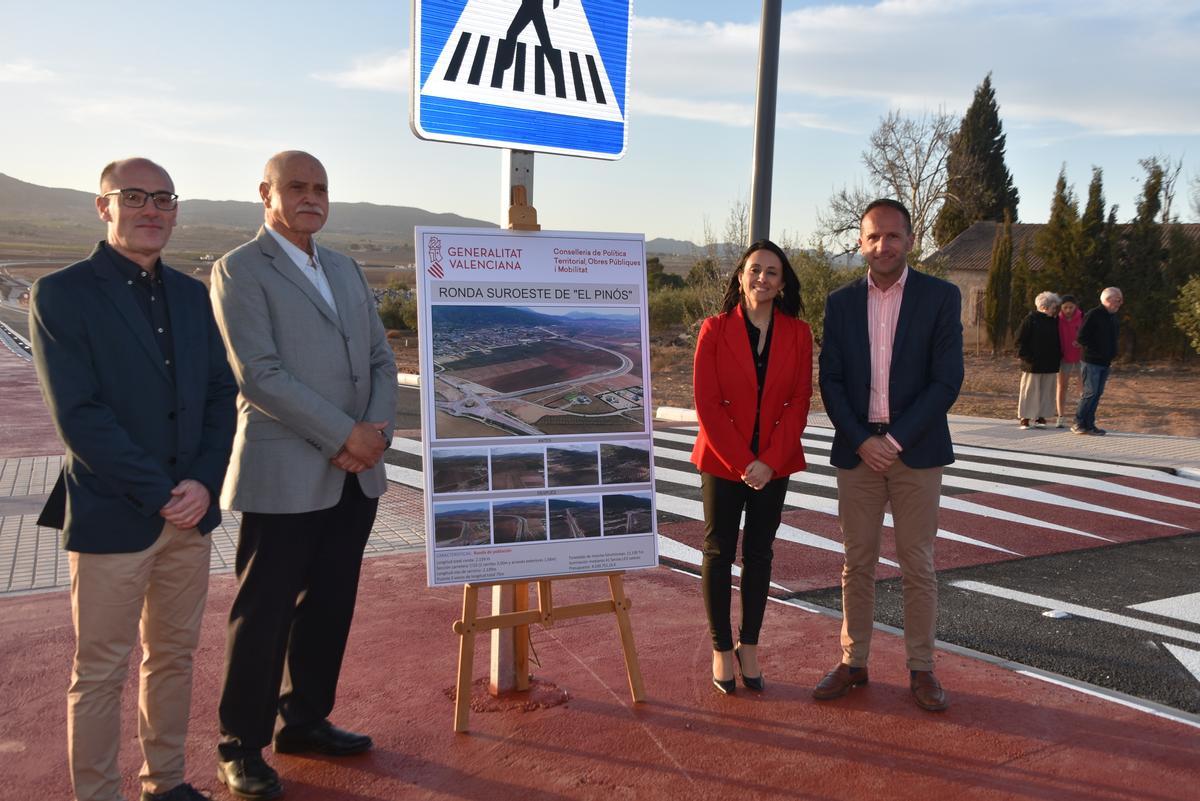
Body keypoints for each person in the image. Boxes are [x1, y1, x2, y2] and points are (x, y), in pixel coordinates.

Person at [30, 158, 236, 801]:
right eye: (136, 197)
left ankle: (166, 782)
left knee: (173, 659)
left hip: (189, 512)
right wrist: (162, 493)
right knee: (100, 671)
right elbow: (80, 417)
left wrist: (204, 482)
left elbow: (217, 395)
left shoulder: (190, 293)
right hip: (115, 513)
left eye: (165, 199)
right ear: (105, 206)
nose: (153, 210)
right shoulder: (62, 294)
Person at [209, 151, 397, 800]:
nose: (311, 197)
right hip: (285, 472)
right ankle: (241, 745)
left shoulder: (343, 267)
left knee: (329, 606)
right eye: (297, 186)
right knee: (262, 614)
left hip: (354, 475)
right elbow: (259, 374)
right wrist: (345, 434)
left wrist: (373, 434)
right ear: (267, 193)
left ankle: (306, 719)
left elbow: (379, 357)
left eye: (320, 187)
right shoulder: (239, 269)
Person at [813, 199, 963, 712]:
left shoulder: (941, 297)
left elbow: (947, 380)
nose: (883, 246)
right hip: (858, 452)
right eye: (873, 237)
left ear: (910, 240)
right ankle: (854, 661)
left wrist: (893, 441)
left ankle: (921, 668)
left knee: (917, 563)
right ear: (860, 243)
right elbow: (829, 378)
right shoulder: (840, 302)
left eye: (892, 236)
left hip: (915, 451)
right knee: (857, 562)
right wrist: (861, 439)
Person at [690, 240, 812, 694]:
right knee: (719, 552)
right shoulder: (714, 329)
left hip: (774, 464)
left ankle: (751, 645)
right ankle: (722, 649)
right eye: (755, 269)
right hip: (723, 462)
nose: (762, 278)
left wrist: (769, 462)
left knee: (759, 555)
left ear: (782, 284)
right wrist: (744, 463)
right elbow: (706, 405)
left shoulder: (799, 335)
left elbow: (799, 402)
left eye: (772, 272)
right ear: (741, 276)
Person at [1073, 287, 1123, 436]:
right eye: (1118, 299)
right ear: (1107, 300)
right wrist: (1097, 350)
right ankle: (1078, 422)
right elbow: (1082, 337)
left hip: (1105, 362)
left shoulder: (1112, 317)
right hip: (1091, 361)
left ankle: (1089, 424)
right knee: (1090, 392)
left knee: (1097, 393)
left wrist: (1112, 353)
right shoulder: (1094, 315)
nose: (1121, 303)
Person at [1014, 291, 1061, 429]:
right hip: (1032, 364)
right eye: (1053, 306)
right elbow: (1019, 340)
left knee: (1047, 391)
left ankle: (1041, 417)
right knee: (1029, 391)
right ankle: (1025, 418)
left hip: (1050, 364)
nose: (1055, 309)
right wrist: (1027, 357)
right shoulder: (1031, 319)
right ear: (1045, 307)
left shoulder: (1053, 321)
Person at [1055, 294, 1083, 428]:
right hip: (1063, 357)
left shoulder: (1082, 318)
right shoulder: (1057, 319)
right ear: (1061, 307)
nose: (1068, 310)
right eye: (1065, 307)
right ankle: (1061, 416)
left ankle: (1081, 415)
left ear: (1075, 306)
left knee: (1083, 387)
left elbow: (1087, 334)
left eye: (1070, 307)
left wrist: (1081, 342)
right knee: (1062, 386)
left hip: (1081, 356)